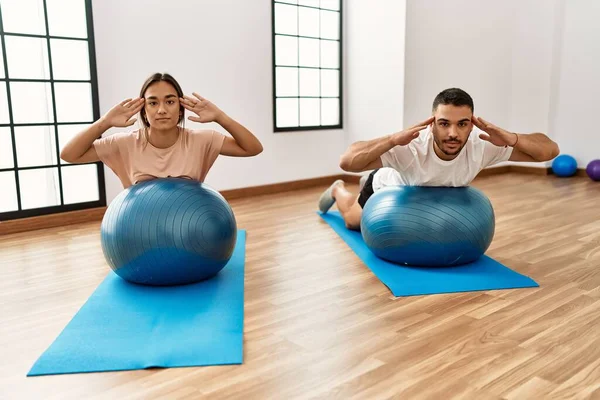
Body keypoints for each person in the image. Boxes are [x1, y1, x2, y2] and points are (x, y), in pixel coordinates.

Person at [318, 87, 560, 230]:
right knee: (352, 221)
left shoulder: (483, 144)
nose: (453, 133)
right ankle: (338, 191)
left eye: (462, 124)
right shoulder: (410, 147)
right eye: (444, 124)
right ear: (432, 123)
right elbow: (347, 162)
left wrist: (513, 137)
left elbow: (549, 151)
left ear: (472, 123)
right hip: (388, 187)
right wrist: (392, 140)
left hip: (427, 200)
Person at [60, 73, 263, 188]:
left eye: (170, 101)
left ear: (181, 108)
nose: (162, 110)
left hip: (187, 231)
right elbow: (69, 155)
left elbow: (253, 148)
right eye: (153, 103)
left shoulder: (202, 140)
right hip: (141, 234)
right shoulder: (125, 143)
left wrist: (221, 117)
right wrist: (105, 122)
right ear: (144, 110)